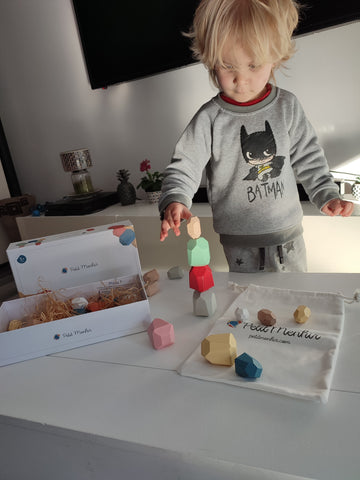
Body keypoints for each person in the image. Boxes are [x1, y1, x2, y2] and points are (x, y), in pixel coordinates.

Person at [158, 0, 354, 272]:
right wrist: (175, 199)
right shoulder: (210, 119)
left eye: (253, 65)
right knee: (249, 303)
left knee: (295, 300)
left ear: (275, 56)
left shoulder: (287, 107)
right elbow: (185, 164)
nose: (241, 80)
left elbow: (309, 157)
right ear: (211, 61)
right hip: (239, 242)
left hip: (289, 236)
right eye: (227, 66)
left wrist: (327, 195)